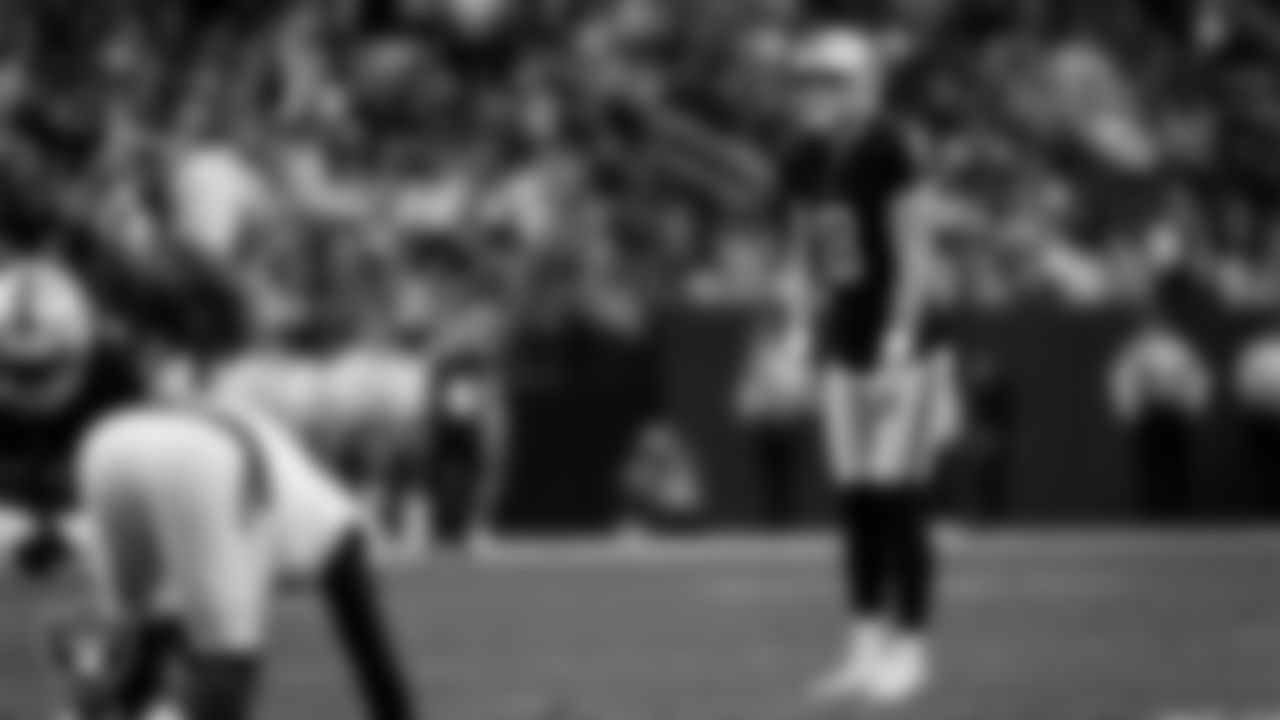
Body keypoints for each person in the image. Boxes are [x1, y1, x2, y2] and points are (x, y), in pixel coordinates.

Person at [780, 26, 944, 706]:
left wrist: (901, 335)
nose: (814, 94)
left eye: (829, 81)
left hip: (900, 340)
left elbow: (914, 252)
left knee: (896, 497)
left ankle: (911, 648)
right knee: (854, 503)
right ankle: (863, 646)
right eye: (808, 81)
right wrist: (796, 331)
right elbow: (806, 255)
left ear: (860, 84)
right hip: (845, 339)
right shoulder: (804, 157)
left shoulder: (889, 145)